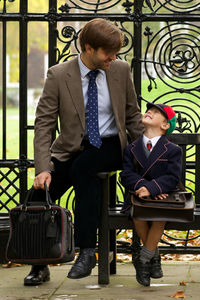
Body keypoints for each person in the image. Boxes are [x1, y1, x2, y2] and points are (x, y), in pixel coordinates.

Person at [24, 18, 144, 286]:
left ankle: (88, 251)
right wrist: (43, 168)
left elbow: (132, 115)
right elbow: (44, 124)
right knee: (36, 200)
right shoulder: (58, 75)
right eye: (107, 52)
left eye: (116, 52)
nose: (113, 57)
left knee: (84, 167)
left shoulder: (120, 70)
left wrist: (143, 158)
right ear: (88, 48)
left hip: (110, 145)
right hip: (71, 148)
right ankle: (39, 264)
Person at [120, 102, 182, 287]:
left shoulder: (172, 150)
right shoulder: (131, 148)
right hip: (137, 197)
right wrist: (144, 188)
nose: (149, 112)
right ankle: (152, 257)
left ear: (164, 126)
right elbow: (126, 174)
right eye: (149, 110)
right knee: (138, 214)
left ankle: (143, 260)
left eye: (155, 113)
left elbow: (172, 177)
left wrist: (154, 189)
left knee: (158, 217)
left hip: (164, 198)